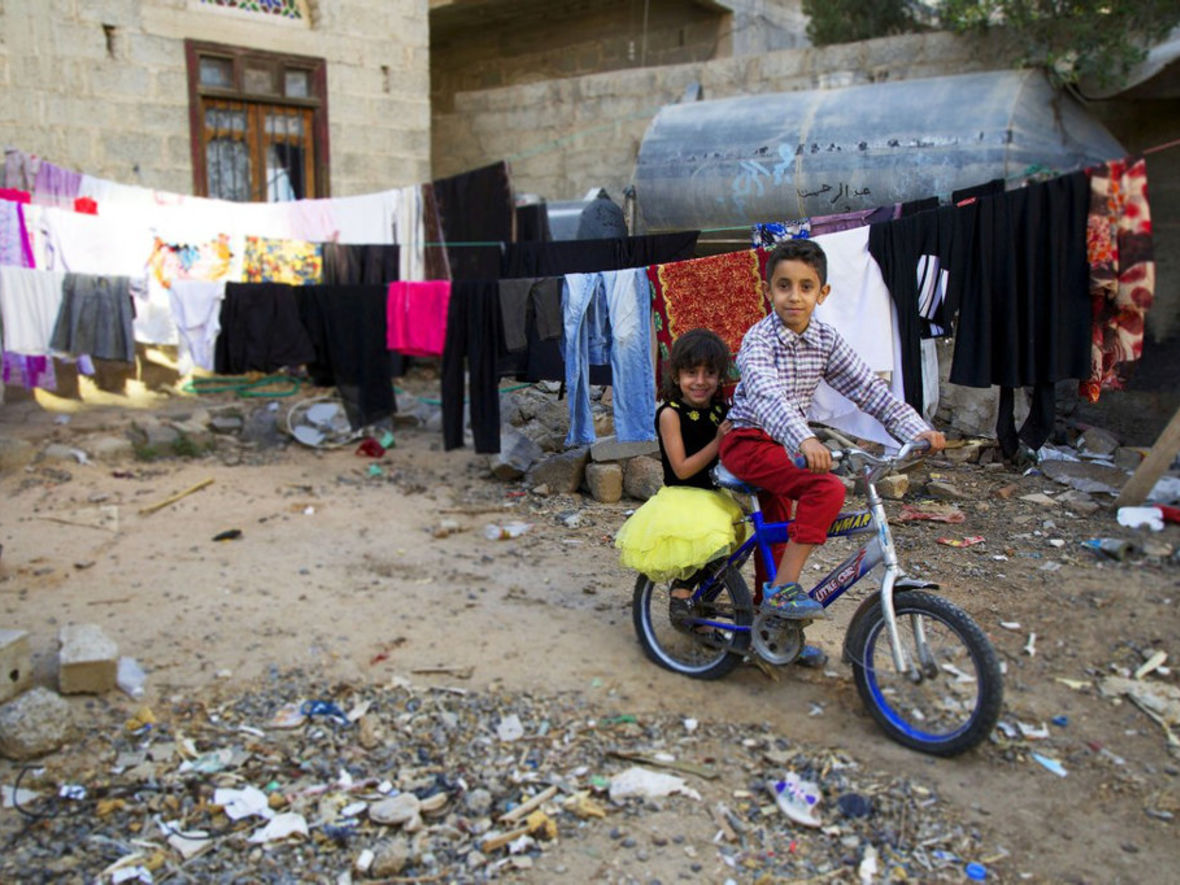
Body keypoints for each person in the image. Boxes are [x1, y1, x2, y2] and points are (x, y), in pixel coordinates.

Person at [721, 239, 945, 618]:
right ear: (768, 291)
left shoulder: (825, 340)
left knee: (779, 534)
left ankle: (771, 625)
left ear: (822, 294)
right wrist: (805, 439)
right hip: (749, 441)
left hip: (785, 447)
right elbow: (766, 395)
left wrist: (915, 430)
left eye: (806, 286)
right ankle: (783, 590)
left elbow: (868, 388)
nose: (795, 296)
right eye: (784, 286)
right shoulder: (758, 340)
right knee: (826, 488)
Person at [614, 328, 745, 623]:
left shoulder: (720, 410)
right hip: (684, 498)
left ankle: (702, 607)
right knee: (703, 550)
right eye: (691, 373)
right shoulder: (670, 414)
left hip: (714, 496)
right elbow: (682, 468)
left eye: (709, 373)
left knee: (732, 551)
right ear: (676, 376)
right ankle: (680, 592)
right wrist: (718, 442)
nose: (700, 381)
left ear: (720, 377)